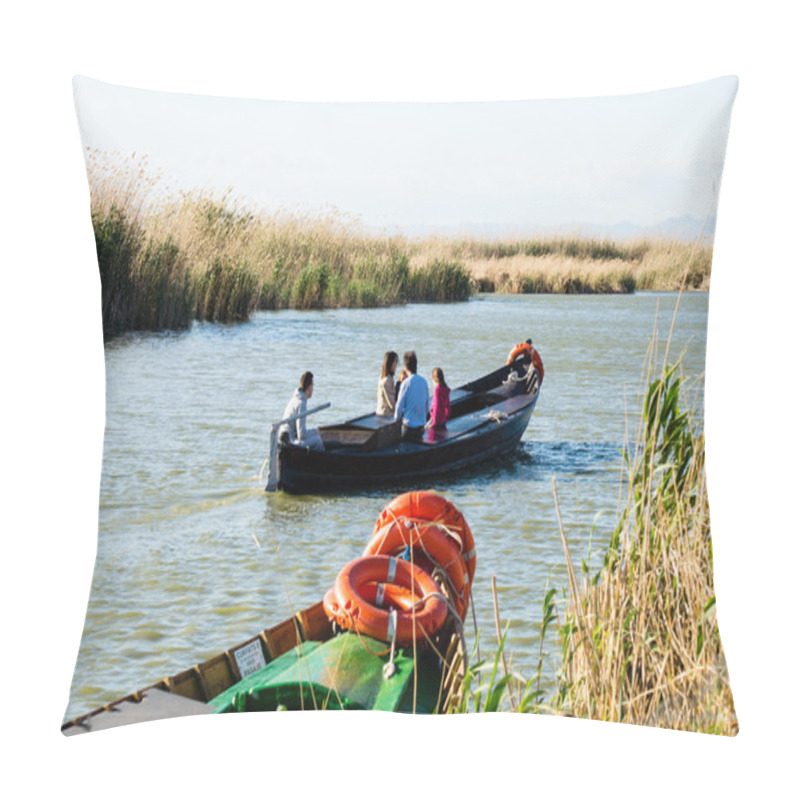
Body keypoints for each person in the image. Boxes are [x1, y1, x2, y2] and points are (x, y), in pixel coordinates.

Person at [279, 371, 324, 451]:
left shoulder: (295, 399)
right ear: (309, 387)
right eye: (313, 385)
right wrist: (314, 432)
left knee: (316, 434)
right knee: (317, 440)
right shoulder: (301, 404)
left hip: (288, 438)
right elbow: (302, 435)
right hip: (291, 442)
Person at [394, 351, 429, 439]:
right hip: (421, 429)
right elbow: (427, 407)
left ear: (405, 367)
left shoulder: (405, 383)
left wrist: (396, 421)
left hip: (408, 429)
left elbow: (399, 408)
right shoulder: (424, 382)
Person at [376, 350, 398, 416]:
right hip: (385, 415)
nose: (396, 365)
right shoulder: (387, 380)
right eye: (395, 362)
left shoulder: (383, 376)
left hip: (381, 412)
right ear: (391, 363)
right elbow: (391, 404)